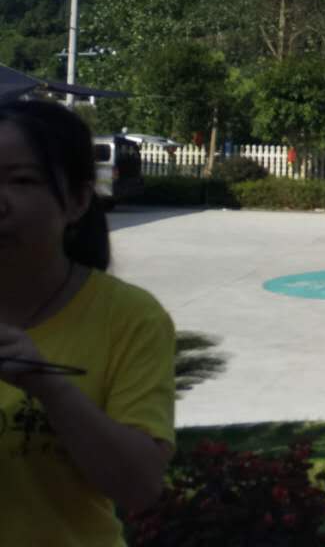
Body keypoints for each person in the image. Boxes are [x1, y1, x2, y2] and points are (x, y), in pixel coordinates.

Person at [0, 100, 175, 546]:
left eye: (21, 180)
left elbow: (139, 488)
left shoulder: (129, 317)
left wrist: (49, 387)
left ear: (78, 200)